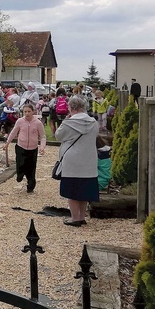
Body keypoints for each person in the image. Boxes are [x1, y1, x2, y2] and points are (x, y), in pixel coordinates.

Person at [55, 95, 100, 226]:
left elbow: (59, 136)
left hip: (72, 160)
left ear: (71, 108)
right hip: (89, 159)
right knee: (84, 188)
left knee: (72, 189)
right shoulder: (93, 122)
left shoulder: (69, 123)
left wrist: (65, 121)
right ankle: (82, 216)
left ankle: (75, 218)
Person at [3, 103, 46, 193]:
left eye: (29, 111)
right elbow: (13, 132)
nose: (27, 113)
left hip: (33, 149)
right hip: (21, 147)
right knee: (20, 164)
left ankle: (30, 186)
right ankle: (20, 174)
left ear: (33, 112)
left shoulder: (38, 123)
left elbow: (42, 136)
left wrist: (42, 147)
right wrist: (7, 143)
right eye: (25, 111)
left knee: (31, 168)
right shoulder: (20, 121)